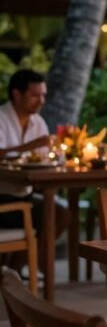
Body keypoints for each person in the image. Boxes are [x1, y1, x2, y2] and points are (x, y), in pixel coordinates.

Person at [0, 70, 68, 248]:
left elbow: (47, 156)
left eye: (43, 95)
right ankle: (25, 269)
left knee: (62, 212)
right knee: (50, 213)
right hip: (3, 197)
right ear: (16, 94)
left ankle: (18, 268)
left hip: (25, 194)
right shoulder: (1, 118)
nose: (41, 101)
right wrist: (30, 146)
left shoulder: (37, 122)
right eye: (35, 95)